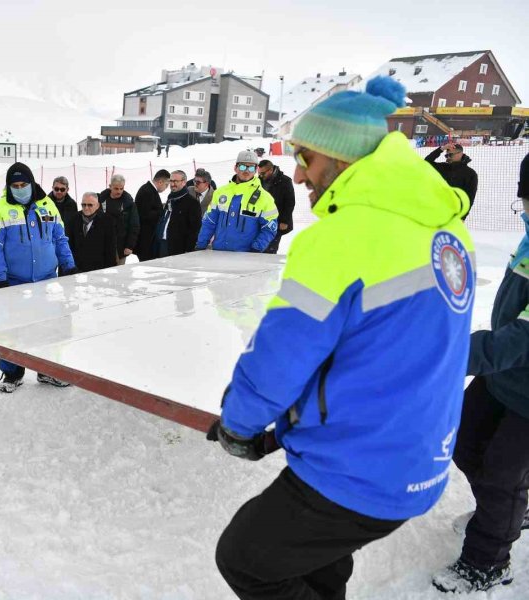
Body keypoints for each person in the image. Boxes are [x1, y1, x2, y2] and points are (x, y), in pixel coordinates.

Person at [208, 76, 475, 600]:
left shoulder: (341, 238)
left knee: (247, 559)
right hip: (417, 453)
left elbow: (279, 359)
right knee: (317, 562)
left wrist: (238, 426)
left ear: (341, 157)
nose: (298, 171)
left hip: (359, 468)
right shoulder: (445, 227)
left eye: (305, 156)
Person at [432, 153, 529, 594]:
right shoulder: (528, 243)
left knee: (502, 475)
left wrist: (445, 355)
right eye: (524, 203)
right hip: (501, 377)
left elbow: (517, 340)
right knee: (463, 441)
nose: (525, 212)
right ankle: (509, 506)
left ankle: (487, 562)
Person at [0, 162, 76, 393]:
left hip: (47, 281)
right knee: (11, 329)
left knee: (50, 326)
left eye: (23, 184)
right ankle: (13, 372)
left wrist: (68, 265)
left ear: (31, 182)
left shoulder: (48, 206)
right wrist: (0, 278)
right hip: (15, 282)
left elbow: (60, 238)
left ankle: (48, 370)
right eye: (14, 185)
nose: (20, 188)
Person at [195, 150, 278, 253]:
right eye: (243, 166)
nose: (247, 171)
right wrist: (200, 245)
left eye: (251, 167)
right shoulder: (220, 193)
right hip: (219, 254)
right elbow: (209, 222)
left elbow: (269, 229)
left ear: (256, 170)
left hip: (246, 257)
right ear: (235, 168)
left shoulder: (265, 198)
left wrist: (255, 249)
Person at [153, 170, 201, 258]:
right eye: (171, 181)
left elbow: (194, 229)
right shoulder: (171, 198)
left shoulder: (192, 203)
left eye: (175, 181)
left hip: (179, 249)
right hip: (163, 244)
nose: (172, 184)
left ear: (184, 182)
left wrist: (188, 250)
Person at [425, 142, 478, 219]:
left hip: (455, 215)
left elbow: (470, 197)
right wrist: (442, 149)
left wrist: (463, 217)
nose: (448, 157)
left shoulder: (470, 173)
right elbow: (426, 162)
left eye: (450, 155)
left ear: (460, 154)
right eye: (446, 155)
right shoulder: (443, 167)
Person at [67, 192, 117, 273]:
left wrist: (110, 270)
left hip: (98, 269)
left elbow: (110, 248)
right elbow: (69, 245)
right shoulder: (74, 219)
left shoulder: (107, 221)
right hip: (77, 269)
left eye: (90, 205)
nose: (86, 208)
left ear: (97, 206)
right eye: (84, 205)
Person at [98, 174, 140, 265]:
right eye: (116, 188)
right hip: (102, 243)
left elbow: (134, 225)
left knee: (118, 270)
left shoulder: (129, 203)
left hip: (120, 245)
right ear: (110, 187)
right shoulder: (100, 200)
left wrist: (129, 246)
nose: (119, 191)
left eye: (121, 188)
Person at [258, 160, 295, 254]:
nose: (261, 175)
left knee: (270, 250)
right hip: (261, 221)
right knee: (259, 248)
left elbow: (290, 202)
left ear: (271, 170)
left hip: (278, 222)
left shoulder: (285, 181)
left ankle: (268, 268)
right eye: (259, 173)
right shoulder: (259, 181)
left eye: (263, 173)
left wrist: (284, 221)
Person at [134, 169, 170, 262]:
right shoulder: (147, 191)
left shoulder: (149, 190)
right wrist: (162, 212)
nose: (166, 188)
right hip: (145, 240)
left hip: (147, 239)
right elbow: (145, 214)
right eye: (166, 185)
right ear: (160, 182)